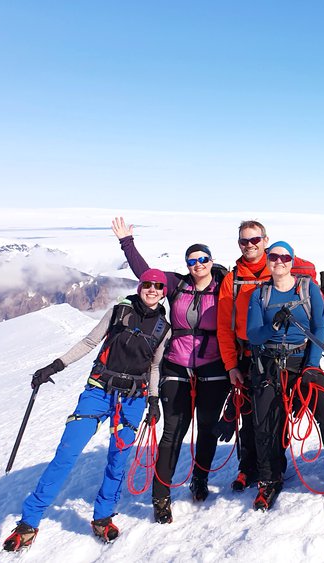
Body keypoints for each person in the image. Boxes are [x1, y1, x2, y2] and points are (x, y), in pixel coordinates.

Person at [2, 270, 172, 552]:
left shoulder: (163, 328)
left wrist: (153, 400)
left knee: (117, 461)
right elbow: (89, 342)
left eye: (158, 286)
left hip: (133, 399)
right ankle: (29, 522)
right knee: (66, 454)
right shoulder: (118, 312)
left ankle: (103, 517)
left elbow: (154, 366)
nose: (152, 289)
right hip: (98, 391)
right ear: (140, 287)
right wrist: (55, 366)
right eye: (147, 284)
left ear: (164, 291)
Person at [112, 218, 228, 523]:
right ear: (187, 265)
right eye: (192, 261)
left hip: (214, 366)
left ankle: (200, 478)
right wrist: (127, 243)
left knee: (207, 427)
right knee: (173, 431)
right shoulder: (177, 284)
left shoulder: (224, 287)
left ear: (211, 261)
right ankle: (160, 497)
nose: (198, 264)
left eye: (203, 259)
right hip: (176, 365)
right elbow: (146, 275)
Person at [246, 241, 324, 510]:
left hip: (303, 360)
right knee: (266, 423)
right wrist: (273, 326)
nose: (279, 261)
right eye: (274, 256)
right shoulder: (259, 295)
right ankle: (269, 479)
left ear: (292, 261)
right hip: (270, 363)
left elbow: (319, 329)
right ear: (268, 260)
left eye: (285, 257)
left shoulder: (309, 290)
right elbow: (254, 335)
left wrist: (312, 365)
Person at [216, 220, 312, 492]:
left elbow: (306, 274)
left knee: (276, 413)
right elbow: (224, 327)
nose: (249, 245)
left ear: (265, 240)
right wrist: (231, 365)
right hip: (247, 355)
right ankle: (248, 468)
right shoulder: (233, 280)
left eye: (255, 240)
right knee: (249, 414)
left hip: (281, 353)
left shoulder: (280, 268)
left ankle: (274, 466)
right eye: (244, 241)